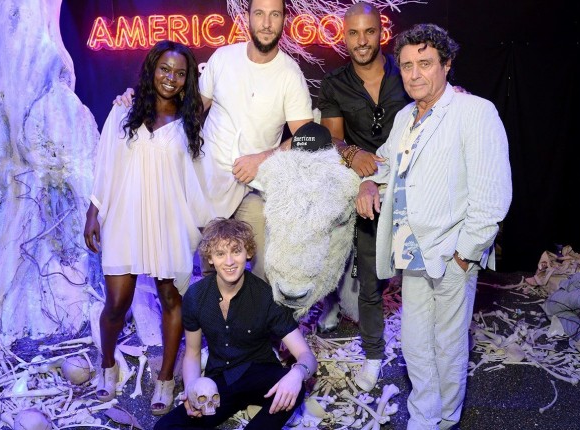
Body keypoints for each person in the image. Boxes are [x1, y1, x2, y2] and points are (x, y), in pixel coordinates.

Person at [356, 24, 512, 430]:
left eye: (424, 63)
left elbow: (492, 196)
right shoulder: (405, 116)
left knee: (448, 343)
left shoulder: (475, 112)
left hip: (451, 251)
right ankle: (424, 414)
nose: (414, 74)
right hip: (410, 250)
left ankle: (445, 418)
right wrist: (369, 181)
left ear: (446, 64)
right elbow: (386, 163)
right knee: (415, 343)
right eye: (407, 66)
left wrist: (466, 255)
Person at [116, 0, 313, 281]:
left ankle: (258, 309)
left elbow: (308, 137)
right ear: (248, 17)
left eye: (275, 15)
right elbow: (188, 109)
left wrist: (262, 159)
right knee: (206, 274)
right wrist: (136, 99)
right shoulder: (223, 58)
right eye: (259, 14)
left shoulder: (290, 75)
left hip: (252, 188)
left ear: (284, 19)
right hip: (206, 185)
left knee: (265, 269)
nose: (267, 23)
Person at [84, 40, 211, 416]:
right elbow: (105, 164)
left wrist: (204, 227)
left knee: (172, 299)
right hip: (125, 217)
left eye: (180, 73)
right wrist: (94, 211)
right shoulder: (123, 111)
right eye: (164, 69)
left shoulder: (189, 123)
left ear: (187, 80)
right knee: (117, 303)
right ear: (152, 69)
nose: (171, 78)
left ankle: (166, 378)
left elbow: (195, 180)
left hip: (168, 220)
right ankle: (107, 363)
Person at [316, 2, 410, 391]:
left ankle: (426, 350)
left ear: (381, 32)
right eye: (353, 33)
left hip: (410, 185)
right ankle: (372, 355)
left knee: (418, 278)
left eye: (369, 31)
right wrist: (353, 154)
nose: (361, 41)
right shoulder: (334, 84)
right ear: (344, 36)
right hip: (363, 186)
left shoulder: (406, 71)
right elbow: (333, 139)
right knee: (369, 282)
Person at [155, 218, 317, 430]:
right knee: (165, 426)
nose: (229, 261)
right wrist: (193, 388)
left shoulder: (266, 296)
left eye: (236, 251)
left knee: (294, 388)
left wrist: (297, 374)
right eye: (220, 254)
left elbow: (306, 356)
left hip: (259, 374)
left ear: (248, 253)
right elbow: (192, 353)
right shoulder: (195, 296)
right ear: (210, 258)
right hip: (221, 380)